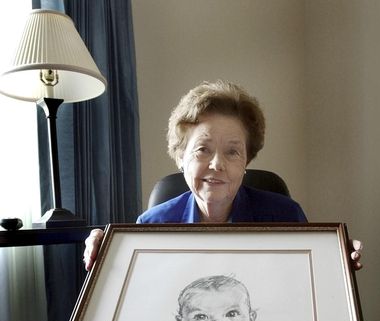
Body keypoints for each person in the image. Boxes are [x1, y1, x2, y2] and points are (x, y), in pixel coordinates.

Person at [83, 79, 362, 270]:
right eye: (203, 149)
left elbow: (307, 287)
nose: (217, 164)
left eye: (232, 152)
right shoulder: (152, 224)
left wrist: (335, 261)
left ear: (246, 162)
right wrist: (109, 259)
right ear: (181, 157)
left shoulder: (285, 215)